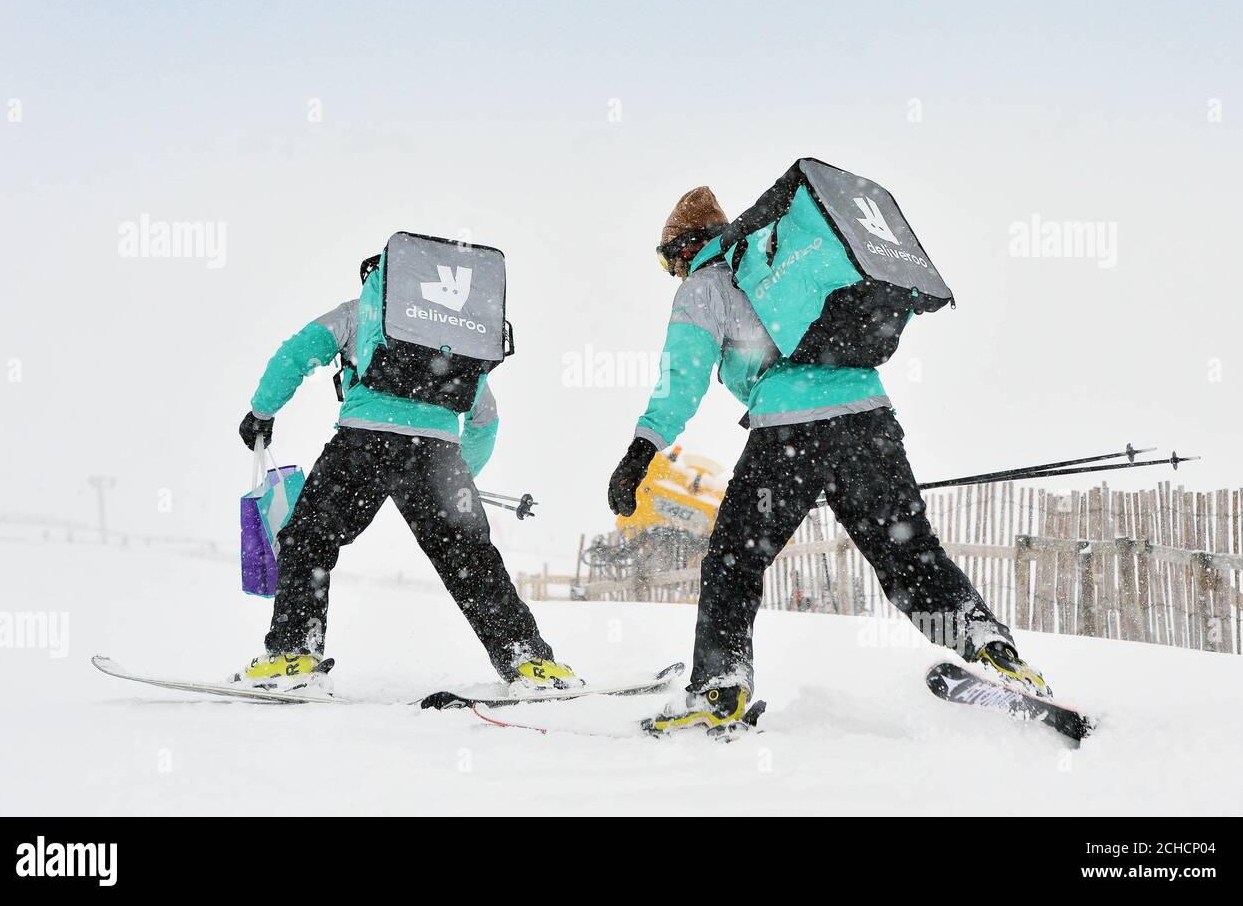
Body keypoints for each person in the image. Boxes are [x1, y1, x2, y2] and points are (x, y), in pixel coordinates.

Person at [607, 186, 1048, 735]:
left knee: (733, 561)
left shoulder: (706, 285)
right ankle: (990, 645)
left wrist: (639, 452)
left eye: (666, 258)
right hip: (870, 420)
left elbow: (681, 381)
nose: (671, 271)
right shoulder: (781, 267)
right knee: (909, 555)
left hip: (789, 431)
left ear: (684, 249)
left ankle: (721, 686)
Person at [232, 255, 578, 695]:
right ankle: (528, 662)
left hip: (362, 444)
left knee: (309, 539)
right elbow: (485, 419)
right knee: (470, 560)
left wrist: (262, 411)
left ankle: (293, 655)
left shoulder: (358, 313)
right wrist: (455, 479)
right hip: (437, 455)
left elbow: (296, 353)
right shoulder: (446, 338)